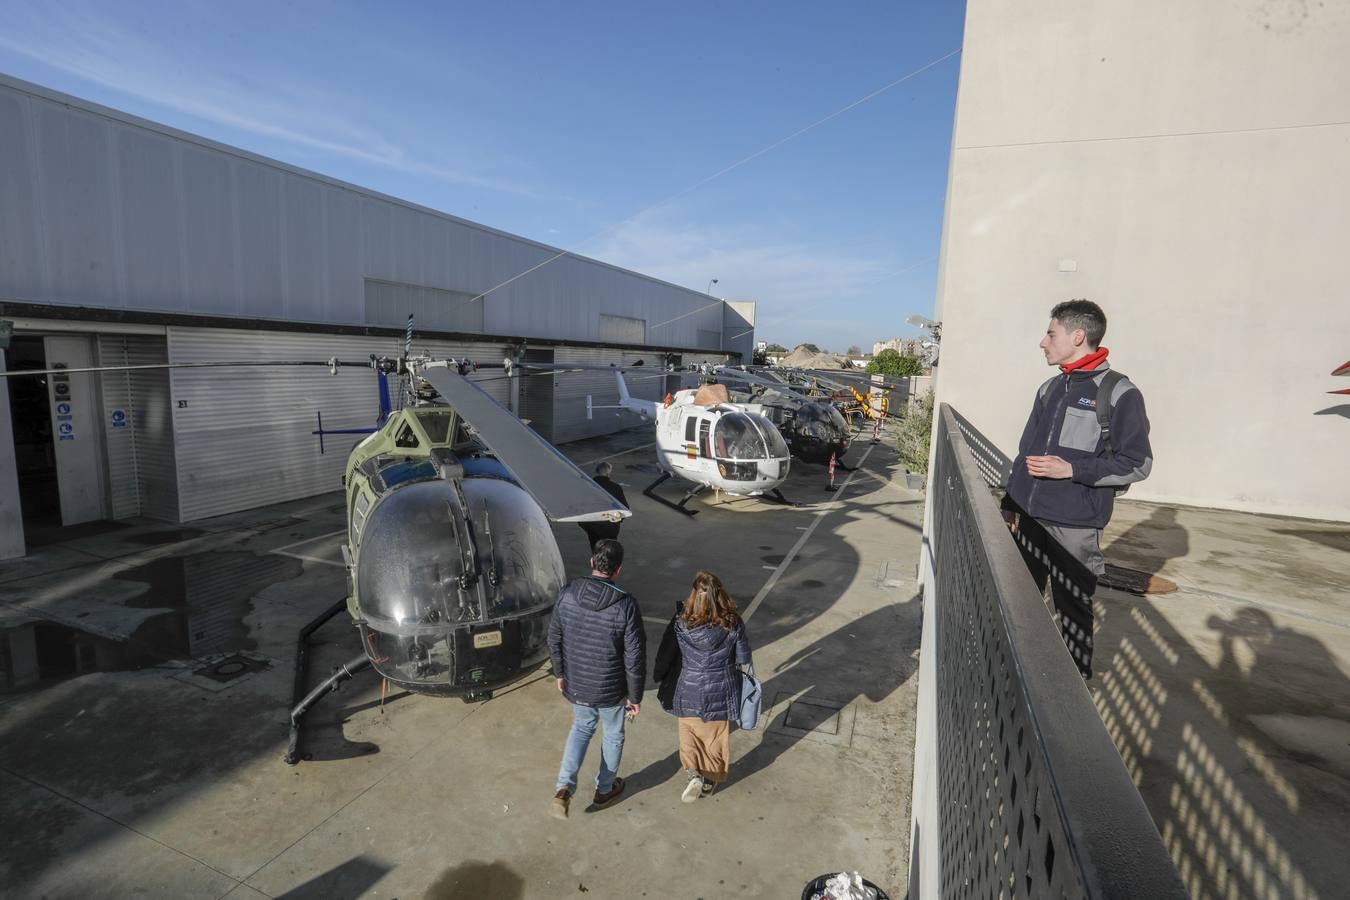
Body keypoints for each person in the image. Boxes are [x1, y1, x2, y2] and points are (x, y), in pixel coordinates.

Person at [1002, 299, 1153, 677]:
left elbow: (1137, 463)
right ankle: (1021, 675)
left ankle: (1074, 689)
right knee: (1022, 603)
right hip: (1029, 519)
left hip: (1074, 525)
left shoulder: (1119, 393)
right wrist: (1010, 503)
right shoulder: (1050, 388)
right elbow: (1026, 454)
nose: (1043, 342)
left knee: (1072, 606)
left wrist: (1072, 468)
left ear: (1078, 336)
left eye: (1051, 333)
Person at [547, 539, 645, 819]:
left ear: (592, 563)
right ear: (618, 570)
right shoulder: (626, 605)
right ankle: (604, 788)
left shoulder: (567, 594)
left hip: (577, 683)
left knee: (581, 727)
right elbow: (635, 657)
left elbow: (554, 636)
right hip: (611, 690)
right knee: (613, 735)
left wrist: (560, 672)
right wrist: (635, 697)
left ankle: (564, 788)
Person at [664, 571, 752, 802]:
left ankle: (693, 772)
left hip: (689, 687)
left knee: (689, 732)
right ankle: (709, 779)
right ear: (720, 594)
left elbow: (672, 654)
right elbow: (743, 658)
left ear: (694, 595)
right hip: (721, 689)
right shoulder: (733, 622)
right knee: (714, 738)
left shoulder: (681, 623)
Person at [579, 461, 628, 551]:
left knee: (595, 548)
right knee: (609, 550)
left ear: (597, 471)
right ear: (609, 473)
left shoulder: (588, 485)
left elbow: (581, 506)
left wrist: (584, 524)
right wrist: (616, 521)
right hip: (611, 527)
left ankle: (596, 562)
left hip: (593, 525)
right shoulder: (616, 487)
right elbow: (625, 508)